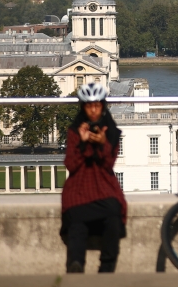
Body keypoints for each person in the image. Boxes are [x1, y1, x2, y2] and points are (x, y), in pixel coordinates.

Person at [60, 81, 127, 274]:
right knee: (76, 218)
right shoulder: (75, 130)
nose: (94, 111)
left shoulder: (111, 132)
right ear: (83, 108)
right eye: (89, 106)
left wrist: (104, 143)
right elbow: (71, 165)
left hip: (103, 184)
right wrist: (82, 144)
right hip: (80, 184)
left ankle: (107, 268)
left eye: (97, 106)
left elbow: (108, 164)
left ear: (103, 106)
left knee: (114, 215)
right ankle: (76, 264)